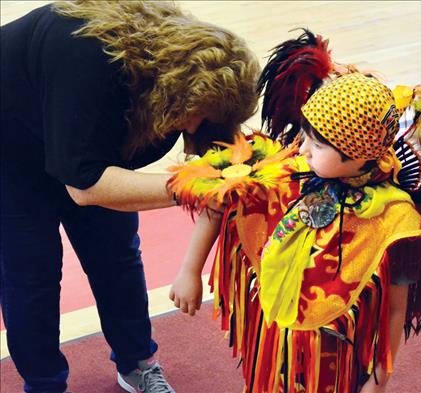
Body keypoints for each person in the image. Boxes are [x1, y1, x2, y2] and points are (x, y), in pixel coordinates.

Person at [169, 31, 421, 392]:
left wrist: (380, 377)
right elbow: (220, 201)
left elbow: (394, 311)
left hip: (336, 362)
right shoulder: (288, 171)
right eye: (306, 136)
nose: (304, 149)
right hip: (275, 345)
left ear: (358, 155)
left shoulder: (395, 223)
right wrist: (190, 270)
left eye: (319, 143)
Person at [0, 1, 261, 392]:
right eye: (202, 119)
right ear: (181, 98)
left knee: (116, 254)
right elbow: (85, 187)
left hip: (84, 135)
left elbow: (215, 152)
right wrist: (191, 187)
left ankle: (137, 362)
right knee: (31, 272)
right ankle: (44, 385)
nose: (199, 129)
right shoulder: (89, 60)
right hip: (11, 144)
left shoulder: (183, 77)